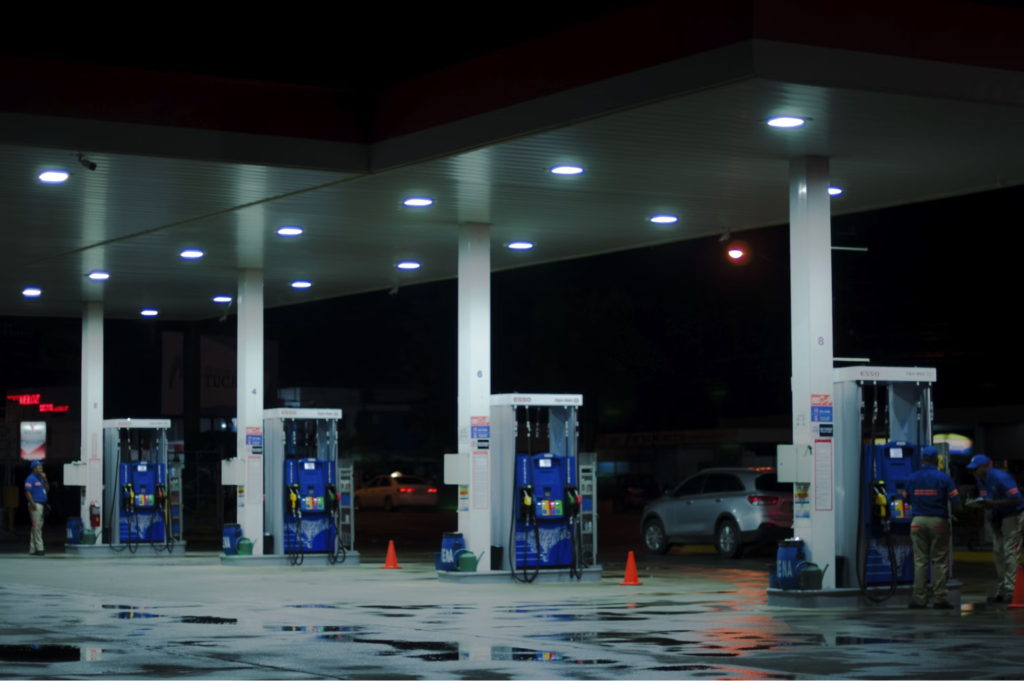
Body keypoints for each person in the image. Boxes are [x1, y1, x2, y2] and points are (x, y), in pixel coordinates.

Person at [903, 447, 962, 609]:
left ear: (922, 460)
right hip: (938, 522)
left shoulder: (912, 477)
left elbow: (905, 500)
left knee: (920, 561)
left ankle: (919, 600)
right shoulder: (944, 478)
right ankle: (940, 599)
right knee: (939, 561)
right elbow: (956, 502)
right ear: (937, 460)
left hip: (917, 521)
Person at [967, 454, 1024, 603]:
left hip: (1013, 517)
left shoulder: (1001, 477)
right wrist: (989, 508)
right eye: (972, 470)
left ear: (986, 467)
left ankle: (1011, 591)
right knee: (998, 554)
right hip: (999, 518)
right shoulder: (981, 481)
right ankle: (1002, 590)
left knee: (1010, 553)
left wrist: (994, 503)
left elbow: (1017, 499)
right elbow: (989, 501)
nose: (973, 472)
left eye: (976, 469)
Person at [24, 460, 49, 556]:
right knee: (37, 527)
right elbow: (27, 492)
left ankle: (33, 549)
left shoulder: (40, 478)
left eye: (41, 467)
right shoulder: (30, 479)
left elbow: (47, 489)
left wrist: (45, 479)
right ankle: (40, 548)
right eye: (39, 467)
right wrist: (33, 504)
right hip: (36, 505)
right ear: (34, 469)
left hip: (41, 505)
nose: (41, 469)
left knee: (36, 527)